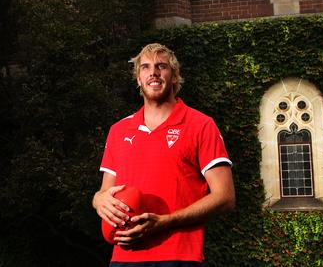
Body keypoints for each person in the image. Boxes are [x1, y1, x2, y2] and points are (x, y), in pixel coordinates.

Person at [92, 43, 235, 266]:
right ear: (138, 79)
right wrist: (98, 199)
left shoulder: (201, 125)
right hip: (124, 257)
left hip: (178, 257)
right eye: (145, 67)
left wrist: (165, 221)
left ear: (175, 76)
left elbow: (225, 197)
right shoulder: (118, 130)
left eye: (162, 66)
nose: (153, 73)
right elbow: (105, 191)